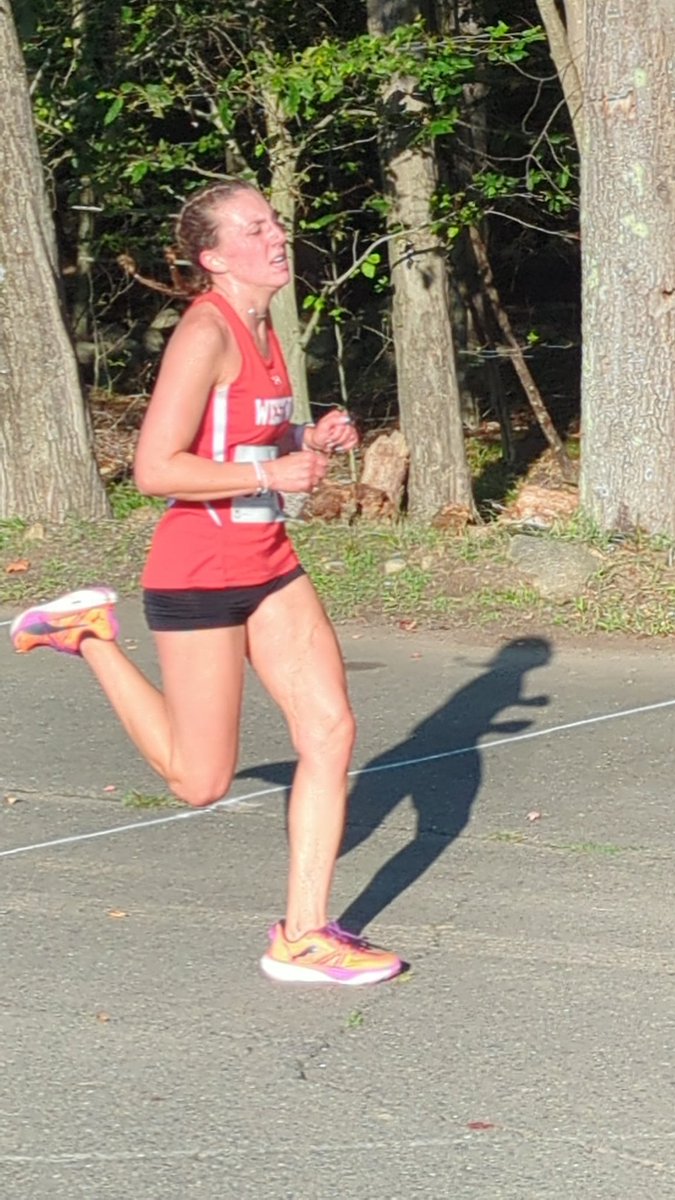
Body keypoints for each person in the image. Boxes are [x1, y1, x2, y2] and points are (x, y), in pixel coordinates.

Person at [10, 180, 403, 987]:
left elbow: (249, 432)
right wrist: (272, 466)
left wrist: (306, 434)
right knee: (200, 782)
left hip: (269, 565)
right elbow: (155, 468)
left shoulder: (264, 328)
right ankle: (87, 637)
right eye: (255, 228)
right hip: (197, 571)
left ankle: (301, 936)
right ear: (214, 258)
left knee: (329, 732)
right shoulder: (204, 333)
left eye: (275, 223)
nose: (276, 236)